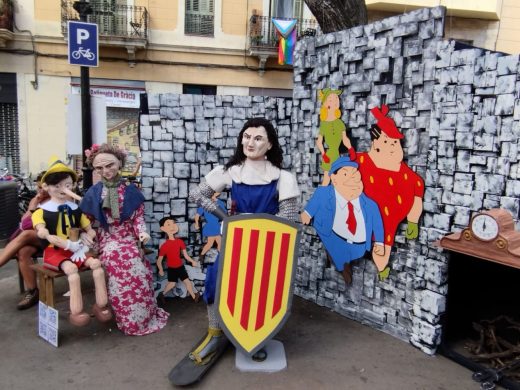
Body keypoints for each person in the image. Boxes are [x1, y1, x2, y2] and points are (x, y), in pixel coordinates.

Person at [189, 117, 300, 363]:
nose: (251, 142)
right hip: (235, 244)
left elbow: (289, 218)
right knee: (216, 280)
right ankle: (216, 334)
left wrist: (264, 230)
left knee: (259, 291)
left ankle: (254, 338)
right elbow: (198, 193)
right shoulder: (231, 171)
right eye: (247, 136)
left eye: (258, 138)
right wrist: (221, 215)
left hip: (266, 248)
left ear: (270, 144)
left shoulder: (282, 177)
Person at [80, 143, 169, 335]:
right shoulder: (94, 192)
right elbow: (84, 220)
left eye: (110, 165)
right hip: (107, 239)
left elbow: (138, 218)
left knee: (138, 265)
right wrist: (84, 232)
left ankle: (144, 316)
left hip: (128, 237)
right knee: (117, 261)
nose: (106, 170)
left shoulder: (130, 191)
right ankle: (128, 319)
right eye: (99, 168)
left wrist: (142, 232)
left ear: (119, 163)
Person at [345, 105, 424, 279]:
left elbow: (417, 189)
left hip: (389, 220)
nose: (391, 146)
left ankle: (381, 268)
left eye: (395, 142)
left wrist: (412, 220)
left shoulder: (404, 171)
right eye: (387, 141)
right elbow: (344, 170)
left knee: (383, 240)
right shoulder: (362, 160)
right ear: (376, 142)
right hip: (360, 215)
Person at [33, 159, 112, 326]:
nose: (63, 189)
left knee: (97, 265)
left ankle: (101, 305)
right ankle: (76, 312)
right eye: (57, 186)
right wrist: (68, 245)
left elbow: (89, 228)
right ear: (46, 187)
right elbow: (44, 234)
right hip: (55, 251)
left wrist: (88, 237)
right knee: (72, 270)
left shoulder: (75, 209)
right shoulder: (41, 212)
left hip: (77, 249)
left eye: (67, 185)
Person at [301, 156, 384, 284]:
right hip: (334, 237)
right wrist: (307, 213)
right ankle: (341, 265)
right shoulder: (325, 193)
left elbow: (377, 222)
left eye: (355, 174)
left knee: (354, 255)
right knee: (338, 255)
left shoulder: (369, 205)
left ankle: (345, 260)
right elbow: (317, 199)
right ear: (334, 179)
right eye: (345, 173)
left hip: (360, 245)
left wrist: (379, 242)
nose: (352, 178)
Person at [0, 172, 49, 309]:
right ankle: (33, 292)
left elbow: (28, 227)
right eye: (38, 186)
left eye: (43, 186)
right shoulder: (36, 200)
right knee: (23, 251)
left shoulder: (58, 199)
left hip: (55, 238)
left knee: (26, 235)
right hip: (38, 239)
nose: (40, 189)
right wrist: (33, 206)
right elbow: (24, 222)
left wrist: (35, 208)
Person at [156, 216, 200, 304]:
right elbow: (159, 260)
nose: (172, 226)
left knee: (187, 282)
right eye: (168, 224)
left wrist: (192, 261)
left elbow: (186, 256)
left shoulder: (180, 242)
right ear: (163, 228)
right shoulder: (164, 246)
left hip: (180, 266)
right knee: (172, 284)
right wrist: (160, 269)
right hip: (171, 268)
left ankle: (194, 296)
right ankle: (162, 294)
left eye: (173, 223)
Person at [316, 88, 350, 186]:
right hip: (329, 155)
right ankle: (321, 199)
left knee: (338, 179)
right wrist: (323, 154)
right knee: (326, 179)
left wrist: (350, 149)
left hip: (337, 155)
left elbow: (345, 139)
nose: (335, 101)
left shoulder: (339, 123)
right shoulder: (324, 124)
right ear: (326, 104)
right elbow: (319, 142)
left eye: (336, 99)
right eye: (331, 99)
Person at [194, 192, 226, 258]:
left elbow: (224, 211)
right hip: (211, 226)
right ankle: (202, 256)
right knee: (210, 244)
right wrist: (196, 223)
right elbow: (197, 216)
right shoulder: (204, 205)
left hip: (216, 226)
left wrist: (216, 199)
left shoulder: (218, 203)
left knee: (218, 243)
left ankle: (220, 257)